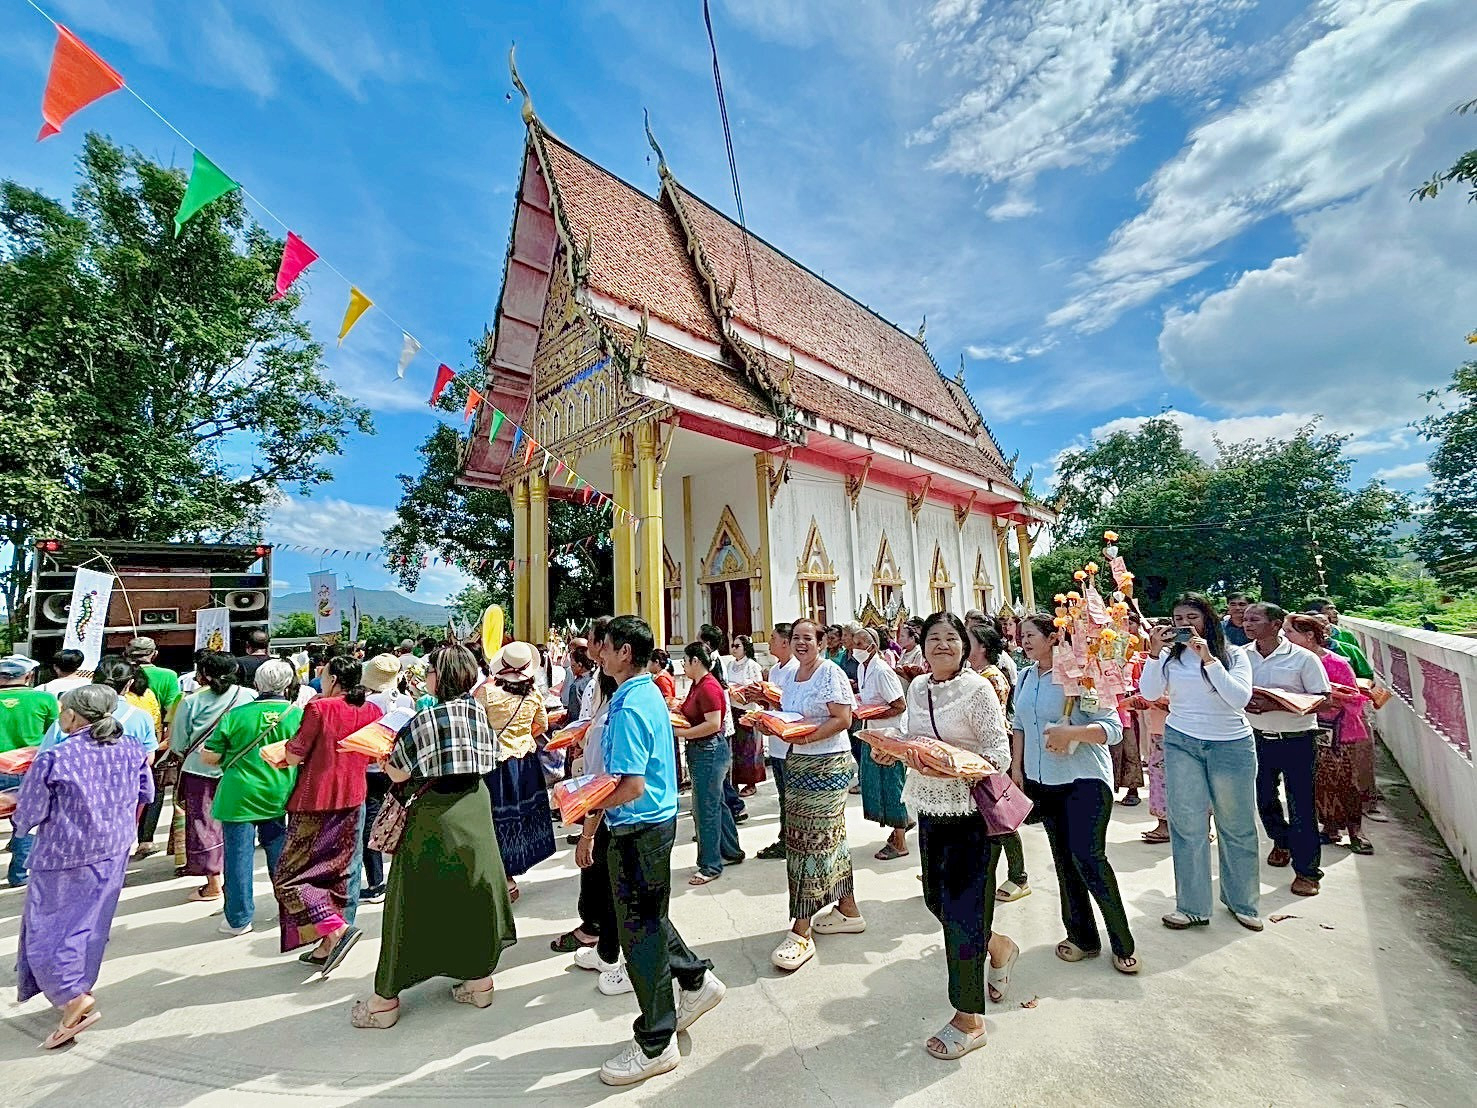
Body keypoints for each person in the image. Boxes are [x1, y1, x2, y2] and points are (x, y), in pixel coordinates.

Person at [582, 616, 725, 1086]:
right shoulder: (645, 693)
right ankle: (697, 981)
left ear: (625, 653)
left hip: (637, 827)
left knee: (638, 936)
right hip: (655, 824)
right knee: (649, 918)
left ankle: (656, 1040)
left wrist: (583, 806)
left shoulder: (628, 705)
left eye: (605, 647)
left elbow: (631, 785)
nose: (598, 654)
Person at [351, 645, 517, 1030]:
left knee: (412, 900)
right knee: (474, 891)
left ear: (439, 678)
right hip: (475, 805)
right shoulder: (478, 712)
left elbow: (398, 773)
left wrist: (384, 760)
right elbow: (492, 756)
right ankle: (478, 981)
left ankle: (384, 1002)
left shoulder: (425, 719)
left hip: (435, 813)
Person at [881, 612, 1016, 1060]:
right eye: (933, 638)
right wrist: (894, 750)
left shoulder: (978, 690)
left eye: (950, 638)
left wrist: (953, 763)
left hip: (971, 812)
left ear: (964, 645)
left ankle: (969, 1018)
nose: (941, 645)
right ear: (922, 645)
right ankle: (998, 946)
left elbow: (998, 752)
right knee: (937, 901)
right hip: (930, 807)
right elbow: (910, 735)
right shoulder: (918, 687)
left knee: (962, 910)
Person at [13, 684, 153, 1049]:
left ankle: (74, 997)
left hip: (64, 855)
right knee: (91, 924)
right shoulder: (131, 748)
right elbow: (147, 794)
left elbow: (29, 813)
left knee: (46, 931)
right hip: (114, 849)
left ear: (73, 715)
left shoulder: (56, 757)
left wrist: (16, 820)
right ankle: (77, 988)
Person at [1013, 615, 1138, 974]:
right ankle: (1082, 937)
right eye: (1021, 636)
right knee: (1064, 862)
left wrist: (1072, 734)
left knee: (1089, 858)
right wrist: (1018, 770)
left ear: (1054, 637)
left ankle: (1122, 940)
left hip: (1084, 780)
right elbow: (1020, 726)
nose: (1024, 641)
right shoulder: (1025, 676)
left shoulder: (1082, 675)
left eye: (1031, 635)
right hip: (1043, 780)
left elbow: (1112, 729)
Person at [1140, 593, 1262, 932]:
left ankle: (1243, 902)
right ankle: (1192, 906)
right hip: (1182, 741)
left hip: (1230, 744)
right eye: (1178, 618)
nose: (1184, 624)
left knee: (1236, 825)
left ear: (1207, 619)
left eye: (1191, 617)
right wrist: (1152, 653)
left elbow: (1238, 698)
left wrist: (1208, 657)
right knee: (1187, 824)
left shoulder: (1234, 655)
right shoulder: (1168, 658)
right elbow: (1149, 693)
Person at [273, 656, 382, 975]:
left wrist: (284, 753)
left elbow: (295, 754)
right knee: (342, 871)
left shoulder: (319, 709)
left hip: (316, 799)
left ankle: (334, 930)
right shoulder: (371, 709)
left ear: (333, 679)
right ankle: (329, 941)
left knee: (289, 876)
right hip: (354, 795)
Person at [770, 619, 864, 972]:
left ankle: (801, 929)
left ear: (822, 642)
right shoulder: (792, 676)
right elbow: (790, 715)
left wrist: (805, 738)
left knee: (809, 844)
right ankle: (849, 909)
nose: (801, 643)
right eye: (796, 638)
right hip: (798, 763)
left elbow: (843, 718)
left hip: (828, 764)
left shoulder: (830, 673)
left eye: (808, 638)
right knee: (829, 840)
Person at [202, 660, 301, 936]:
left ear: (257, 684)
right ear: (287, 684)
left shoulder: (236, 715)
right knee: (281, 856)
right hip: (280, 793)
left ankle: (238, 918)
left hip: (239, 795)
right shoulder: (297, 714)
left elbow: (211, 756)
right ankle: (289, 910)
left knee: (238, 858)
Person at [1243, 603, 1333, 897]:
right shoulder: (1241, 657)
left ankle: (1308, 872)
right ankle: (1281, 840)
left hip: (1297, 738)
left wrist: (1279, 703)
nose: (1247, 624)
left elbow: (1324, 699)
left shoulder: (1303, 658)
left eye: (1255, 619)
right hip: (1255, 738)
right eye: (1245, 619)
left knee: (1301, 804)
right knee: (1264, 799)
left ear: (1276, 624)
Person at [169, 651, 256, 904]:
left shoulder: (190, 702)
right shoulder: (249, 696)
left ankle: (213, 882)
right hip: (238, 768)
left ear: (203, 673)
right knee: (237, 822)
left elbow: (178, 742)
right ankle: (235, 877)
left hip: (199, 770)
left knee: (204, 823)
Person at [1285, 614, 1374, 856]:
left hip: (1341, 731)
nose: (1285, 638)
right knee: (1318, 781)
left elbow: (1355, 699)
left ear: (1309, 636)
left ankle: (1356, 831)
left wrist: (1330, 700)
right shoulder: (1293, 662)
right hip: (1309, 728)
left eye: (1290, 633)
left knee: (1347, 782)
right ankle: (1330, 826)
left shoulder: (1337, 662)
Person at [476, 641, 555, 903]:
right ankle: (514, 871)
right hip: (525, 763)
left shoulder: (486, 693)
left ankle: (502, 876)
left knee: (495, 818)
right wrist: (521, 737)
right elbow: (541, 724)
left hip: (495, 763)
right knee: (521, 816)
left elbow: (475, 725)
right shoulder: (533, 695)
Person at [968, 624, 1030, 903]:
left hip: (989, 753)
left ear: (982, 647)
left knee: (1000, 816)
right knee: (980, 818)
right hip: (971, 755)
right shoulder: (973, 675)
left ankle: (1019, 875)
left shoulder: (991, 678)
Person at [676, 642, 744, 884]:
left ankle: (710, 865)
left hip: (709, 751)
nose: (682, 665)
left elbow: (714, 724)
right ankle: (731, 850)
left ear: (696, 661)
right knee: (717, 804)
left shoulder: (708, 687)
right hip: (704, 750)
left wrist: (680, 733)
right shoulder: (698, 685)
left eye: (685, 660)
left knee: (705, 809)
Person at [361, 653, 414, 905]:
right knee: (401, 818)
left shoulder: (366, 702)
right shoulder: (406, 699)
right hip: (401, 768)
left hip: (372, 769)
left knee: (371, 824)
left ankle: (375, 882)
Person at [0, 654, 57, 888]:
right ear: (29, 675)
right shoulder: (45, 699)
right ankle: (19, 875)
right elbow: (54, 737)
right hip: (30, 771)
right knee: (27, 823)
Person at [854, 627, 909, 860]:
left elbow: (899, 705)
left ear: (872, 647)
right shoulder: (861, 667)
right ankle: (901, 823)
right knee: (874, 782)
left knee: (891, 783)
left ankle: (900, 840)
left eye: (859, 644)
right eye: (853, 643)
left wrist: (869, 713)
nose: (854, 649)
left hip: (889, 734)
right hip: (872, 732)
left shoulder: (882, 671)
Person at [747, 623, 796, 861]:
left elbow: (792, 708)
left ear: (785, 643)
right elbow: (773, 705)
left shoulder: (796, 670)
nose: (769, 643)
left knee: (791, 795)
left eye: (773, 639)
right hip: (776, 742)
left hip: (790, 743)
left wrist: (770, 699)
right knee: (783, 794)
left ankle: (792, 839)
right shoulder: (776, 670)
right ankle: (785, 837)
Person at [698, 624, 747, 823]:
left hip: (719, 723)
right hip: (721, 721)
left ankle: (734, 806)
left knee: (718, 774)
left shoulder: (713, 662)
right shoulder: (716, 661)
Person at [726, 634, 766, 797]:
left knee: (750, 746)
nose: (734, 649)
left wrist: (741, 691)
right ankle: (735, 780)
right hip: (733, 708)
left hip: (749, 709)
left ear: (745, 648)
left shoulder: (752, 665)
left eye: (737, 646)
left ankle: (751, 782)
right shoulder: (729, 664)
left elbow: (757, 688)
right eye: (733, 646)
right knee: (735, 746)